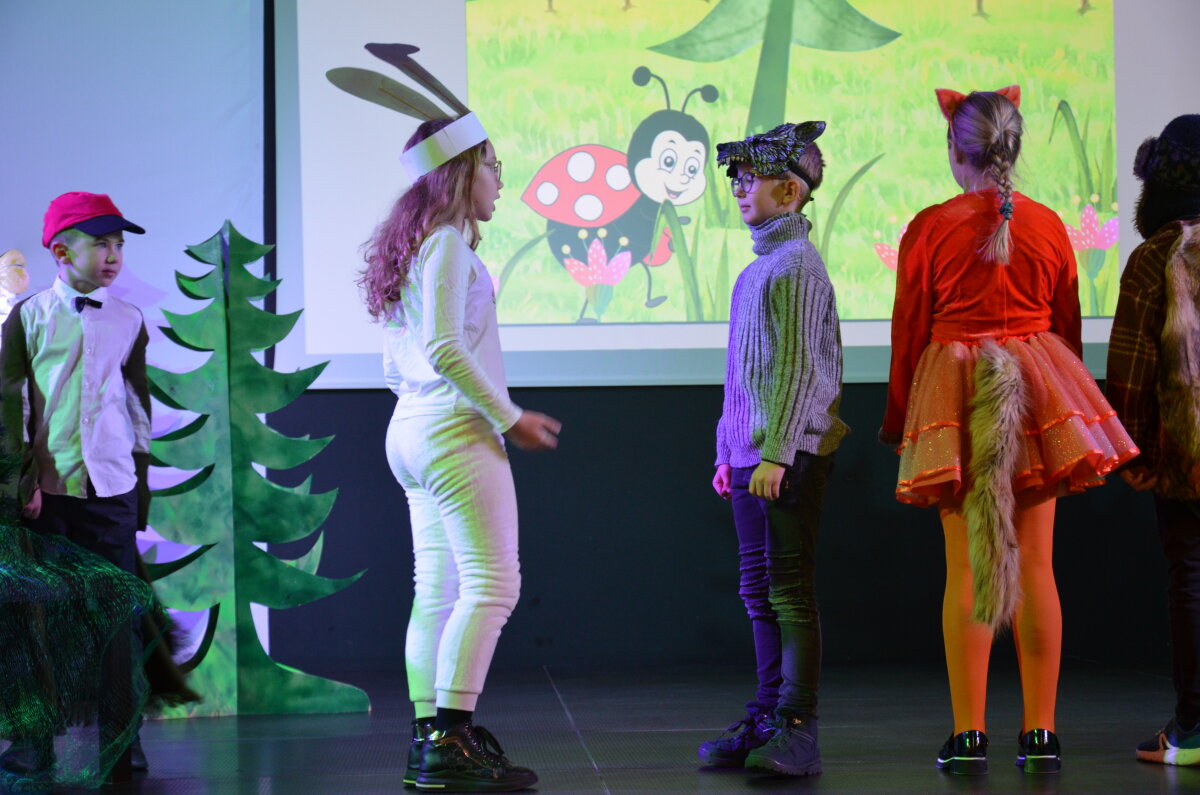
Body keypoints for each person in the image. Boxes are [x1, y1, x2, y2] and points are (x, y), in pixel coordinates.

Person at [880, 87, 1138, 776]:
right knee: (1037, 565)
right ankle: (1041, 733)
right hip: (1035, 392)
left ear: (955, 149)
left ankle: (969, 735)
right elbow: (1067, 326)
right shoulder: (1048, 225)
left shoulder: (930, 228)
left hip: (956, 395)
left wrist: (903, 420)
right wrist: (1062, 411)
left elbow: (909, 331)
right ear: (1013, 147)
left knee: (966, 567)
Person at [360, 113, 561, 792]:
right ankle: (449, 736)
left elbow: (401, 362)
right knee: (493, 585)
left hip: (413, 427)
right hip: (453, 429)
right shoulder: (445, 245)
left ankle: (433, 741)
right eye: (492, 166)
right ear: (460, 172)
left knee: (438, 590)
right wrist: (510, 416)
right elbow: (445, 347)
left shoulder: (415, 247)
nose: (500, 181)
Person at [698, 121, 847, 778]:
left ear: (789, 190)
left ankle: (797, 725)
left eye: (749, 178)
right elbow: (741, 373)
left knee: (788, 591)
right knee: (757, 589)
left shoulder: (797, 267)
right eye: (734, 178)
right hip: (751, 455)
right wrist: (728, 450)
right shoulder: (756, 270)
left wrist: (777, 454)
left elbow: (796, 371)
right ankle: (766, 712)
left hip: (788, 455)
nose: (737, 188)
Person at [0, 191, 156, 784]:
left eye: (119, 244)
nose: (113, 255)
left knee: (118, 618)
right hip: (46, 491)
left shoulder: (129, 319)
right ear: (62, 253)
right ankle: (32, 743)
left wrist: (139, 486)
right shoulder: (29, 316)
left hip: (111, 488)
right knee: (32, 618)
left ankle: (122, 740)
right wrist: (21, 481)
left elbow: (136, 403)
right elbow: (11, 403)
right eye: (101, 243)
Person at [1105, 114, 1200, 767]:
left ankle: (1193, 728)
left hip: (1185, 458)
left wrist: (1134, 455)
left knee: (1191, 578)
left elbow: (1130, 373)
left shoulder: (1150, 260)